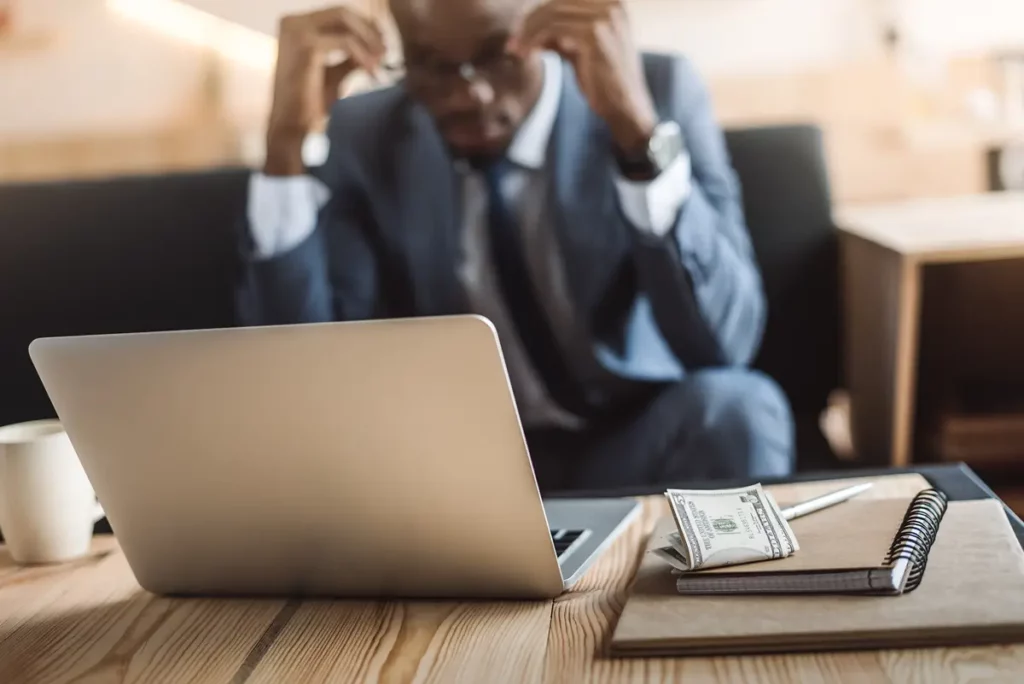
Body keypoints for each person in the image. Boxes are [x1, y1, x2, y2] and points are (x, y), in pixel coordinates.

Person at [237, 0, 794, 490]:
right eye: (431, 65)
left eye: (499, 54)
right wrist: (284, 150)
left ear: (549, 23)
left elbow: (726, 343)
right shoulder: (365, 135)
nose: (469, 94)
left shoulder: (655, 90)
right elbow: (310, 376)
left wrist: (636, 136)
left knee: (738, 410)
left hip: (634, 444)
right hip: (461, 477)